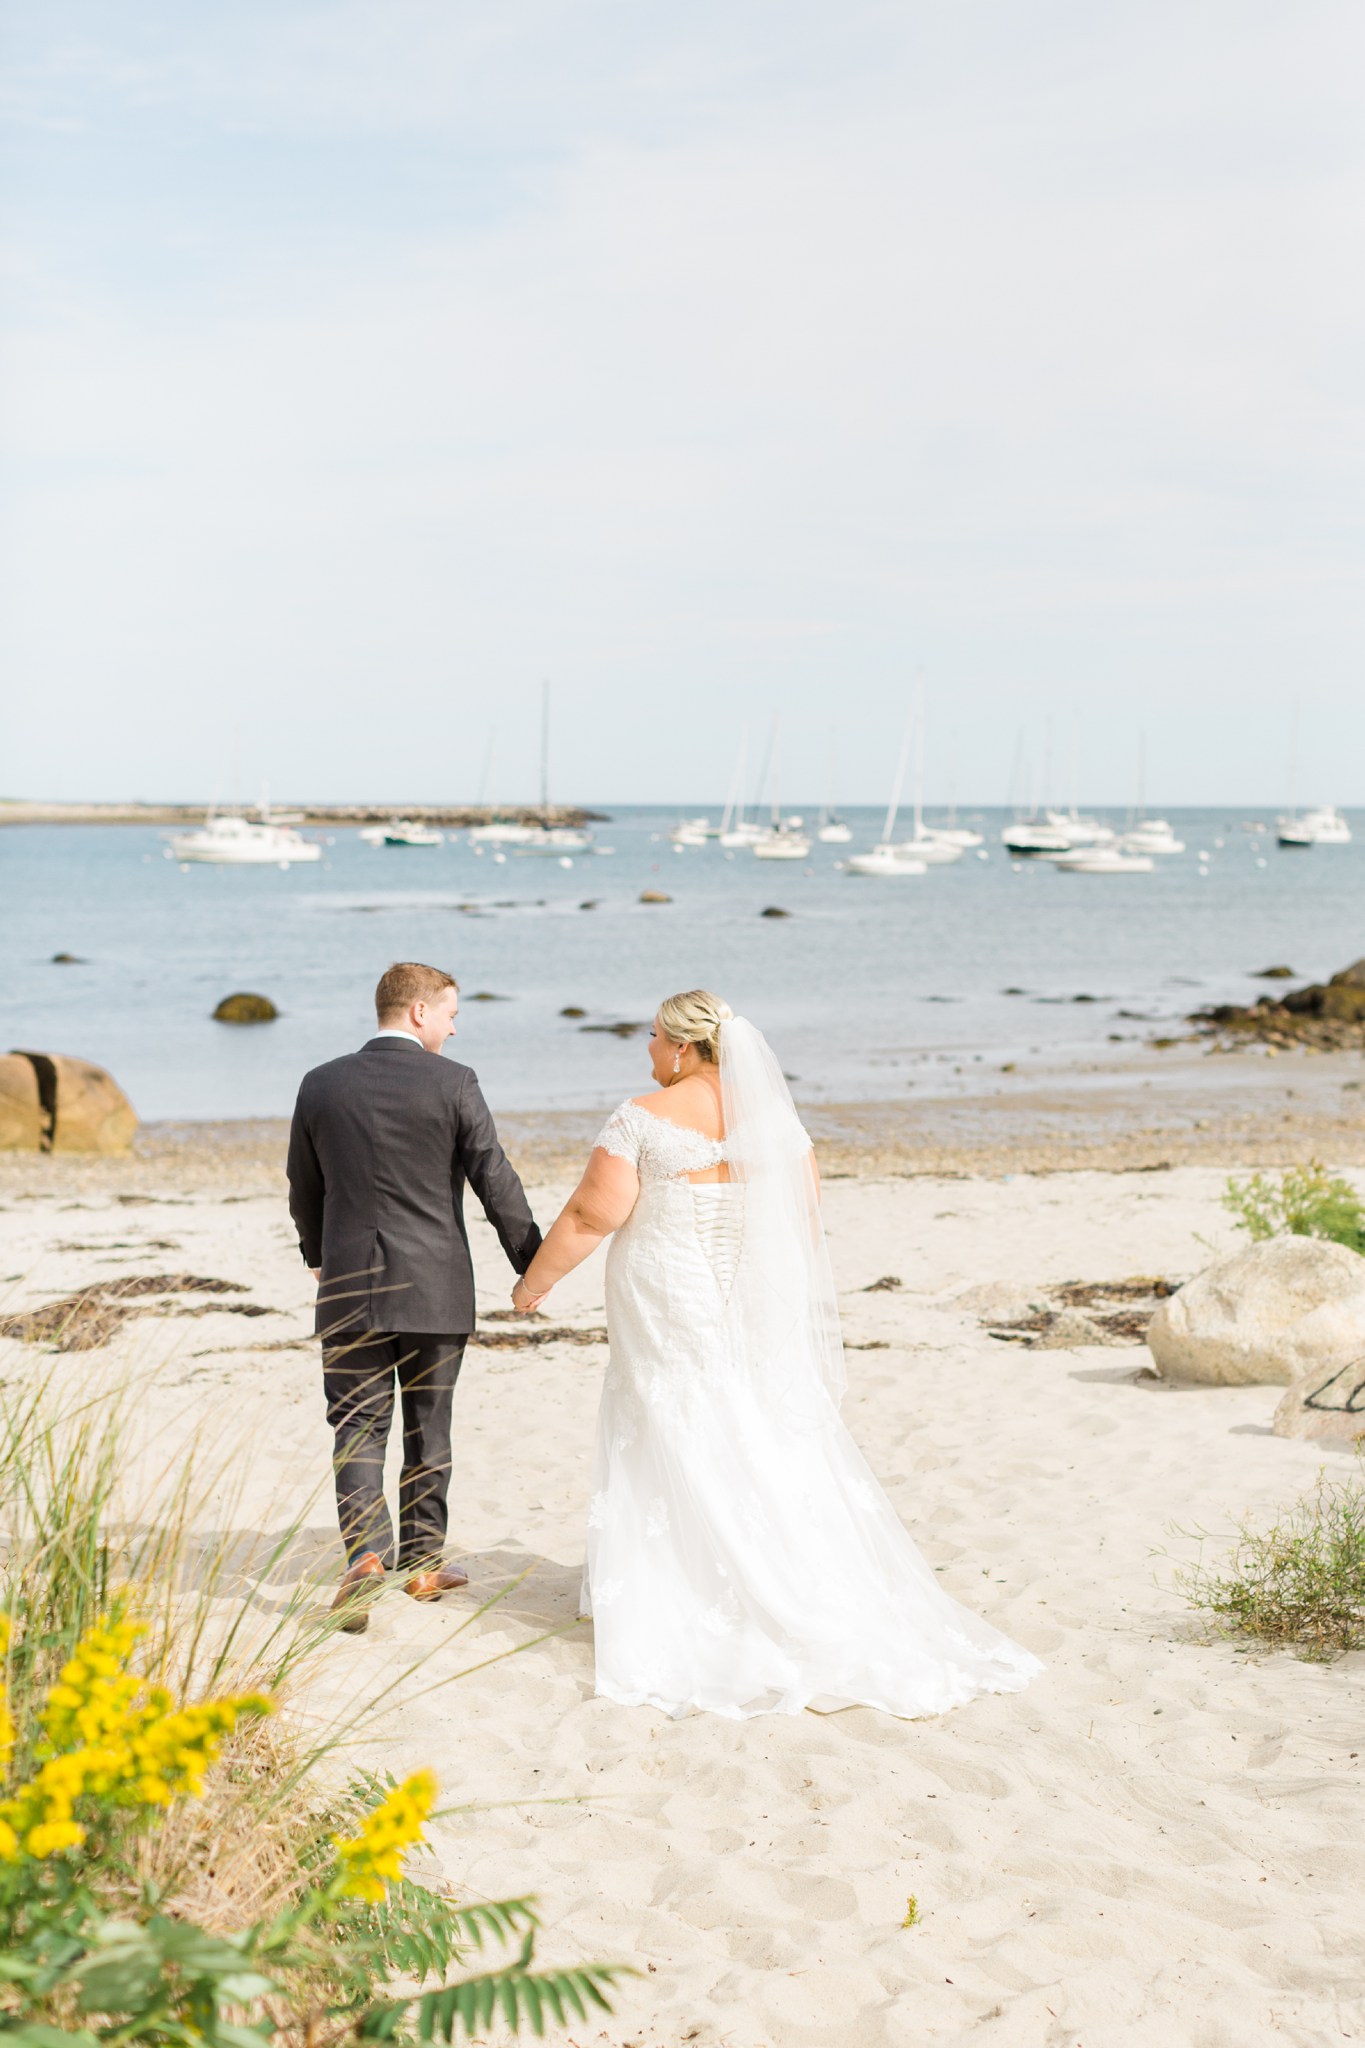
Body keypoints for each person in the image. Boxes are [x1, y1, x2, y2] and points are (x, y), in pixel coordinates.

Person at [512, 988, 1041, 1719]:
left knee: (669, 1416)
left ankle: (689, 1586)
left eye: (653, 1036)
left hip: (670, 1289)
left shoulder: (642, 1116)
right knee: (749, 1414)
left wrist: (532, 1285)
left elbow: (590, 1213)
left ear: (683, 1046)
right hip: (751, 1295)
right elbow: (803, 1213)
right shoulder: (777, 1124)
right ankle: (779, 1568)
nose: (647, 1048)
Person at [288, 961, 541, 1631]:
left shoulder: (321, 1083)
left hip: (348, 1288)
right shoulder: (454, 1082)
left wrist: (318, 1256)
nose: (454, 1028)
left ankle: (366, 1560)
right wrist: (532, 1264)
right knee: (428, 1429)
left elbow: (302, 1185)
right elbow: (495, 1177)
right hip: (435, 1288)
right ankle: (423, 1566)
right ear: (419, 1012)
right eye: (451, 1013)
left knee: (356, 1428)